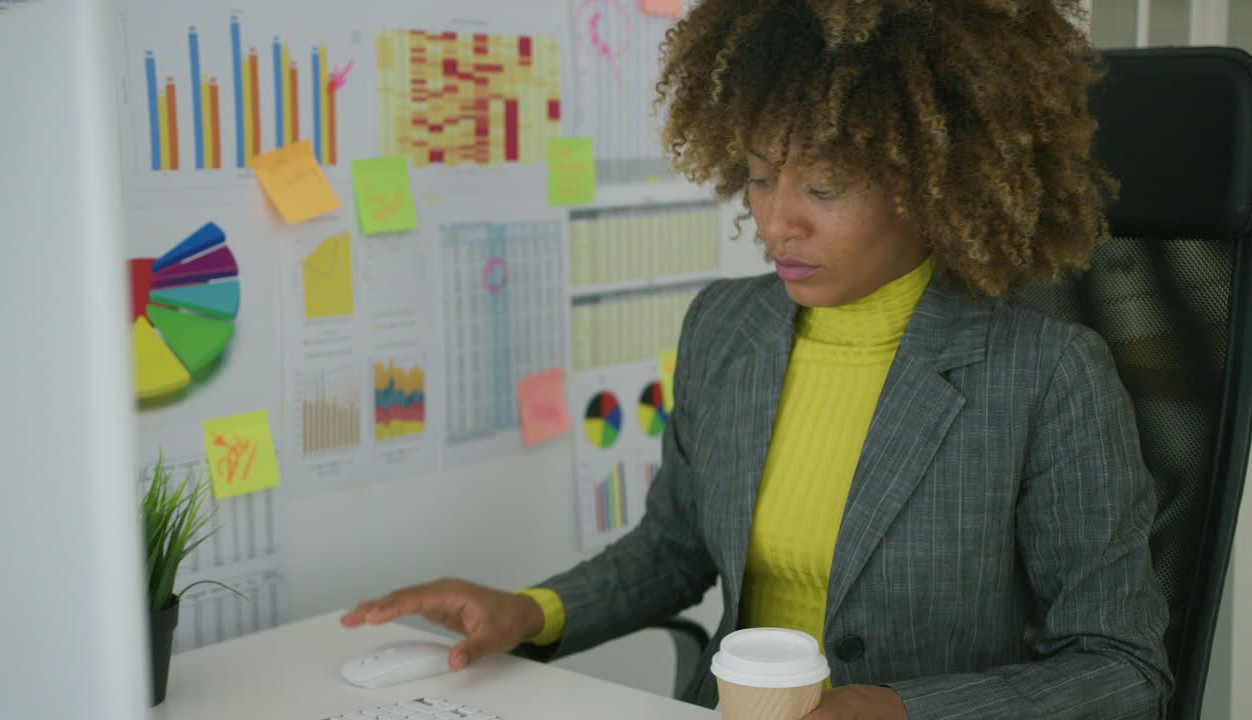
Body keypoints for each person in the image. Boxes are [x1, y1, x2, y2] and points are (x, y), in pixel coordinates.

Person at [342, 1, 1173, 717]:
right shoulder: (726, 326)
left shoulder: (1046, 373)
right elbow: (674, 551)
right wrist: (530, 610)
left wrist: (895, 710)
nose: (777, 225)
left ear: (934, 179)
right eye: (759, 177)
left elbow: (1120, 668)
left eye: (822, 186)